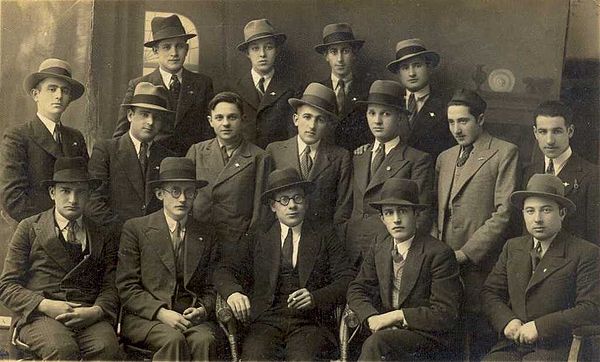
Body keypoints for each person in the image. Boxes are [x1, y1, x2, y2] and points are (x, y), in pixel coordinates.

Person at [214, 168, 354, 360]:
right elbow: (224, 269)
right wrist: (233, 292)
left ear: (306, 202)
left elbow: (347, 277)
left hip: (309, 323)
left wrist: (315, 297)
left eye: (298, 198)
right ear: (273, 206)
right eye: (284, 200)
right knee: (255, 357)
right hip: (265, 321)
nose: (292, 206)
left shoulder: (324, 234)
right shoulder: (258, 234)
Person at [0, 157, 120, 360]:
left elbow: (110, 284)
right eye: (66, 191)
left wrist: (97, 311)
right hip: (40, 316)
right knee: (62, 349)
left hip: (87, 315)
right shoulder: (29, 228)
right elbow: (7, 286)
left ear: (89, 194)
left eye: (80, 191)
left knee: (107, 347)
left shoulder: (101, 233)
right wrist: (46, 305)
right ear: (52, 193)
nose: (73, 199)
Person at [434, 88, 519, 359]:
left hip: (480, 264)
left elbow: (504, 212)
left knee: (478, 334)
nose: (457, 129)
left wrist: (467, 253)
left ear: (480, 119)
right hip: (444, 264)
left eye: (464, 121)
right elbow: (439, 211)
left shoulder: (503, 152)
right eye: (451, 122)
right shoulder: (444, 158)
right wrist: (439, 252)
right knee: (446, 334)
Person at [481, 173, 600, 361]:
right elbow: (490, 293)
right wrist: (507, 321)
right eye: (530, 211)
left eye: (546, 210)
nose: (537, 219)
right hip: (513, 345)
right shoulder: (513, 247)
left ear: (562, 213)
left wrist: (540, 327)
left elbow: (591, 308)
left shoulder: (585, 252)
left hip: (559, 348)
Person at [347, 178, 462, 361]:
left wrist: (395, 317)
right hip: (386, 333)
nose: (397, 219)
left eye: (403, 211)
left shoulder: (439, 253)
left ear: (416, 214)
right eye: (389, 213)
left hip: (427, 338)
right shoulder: (380, 244)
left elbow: (445, 313)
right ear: (382, 218)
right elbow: (357, 288)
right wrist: (372, 318)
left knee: (376, 344)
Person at [117, 157, 220, 360]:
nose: (182, 198)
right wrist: (161, 313)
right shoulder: (136, 229)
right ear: (160, 194)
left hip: (188, 318)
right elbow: (127, 287)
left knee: (205, 340)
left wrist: (202, 309)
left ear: (195, 195)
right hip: (146, 317)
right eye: (175, 191)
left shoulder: (206, 233)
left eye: (189, 192)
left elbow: (211, 286)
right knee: (173, 339)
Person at [346, 80, 433, 267]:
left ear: (401, 117)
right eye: (372, 113)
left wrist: (401, 252)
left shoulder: (416, 159)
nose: (377, 121)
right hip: (352, 251)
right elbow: (345, 207)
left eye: (385, 114)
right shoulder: (358, 156)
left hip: (391, 252)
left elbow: (421, 215)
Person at [0, 58, 89, 223]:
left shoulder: (75, 138)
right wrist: (53, 226)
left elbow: (86, 187)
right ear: (36, 94)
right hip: (34, 233)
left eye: (65, 91)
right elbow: (13, 198)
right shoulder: (18, 136)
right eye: (52, 89)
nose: (59, 96)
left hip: (74, 231)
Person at [112, 14, 214, 155]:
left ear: (187, 49)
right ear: (155, 51)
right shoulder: (139, 84)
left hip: (192, 163)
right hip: (152, 163)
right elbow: (121, 134)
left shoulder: (203, 84)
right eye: (166, 47)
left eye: (179, 46)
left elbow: (210, 131)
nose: (174, 53)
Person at [264, 83, 352, 240]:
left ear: (328, 124)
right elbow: (266, 204)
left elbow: (343, 208)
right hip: (283, 237)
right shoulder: (274, 151)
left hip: (323, 239)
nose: (312, 126)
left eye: (320, 120)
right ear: (296, 119)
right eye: (307, 117)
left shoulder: (340, 157)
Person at [186, 91, 265, 254]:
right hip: (198, 240)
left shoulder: (259, 157)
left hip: (236, 243)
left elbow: (259, 211)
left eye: (232, 117)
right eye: (219, 117)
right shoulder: (197, 151)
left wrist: (246, 243)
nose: (226, 123)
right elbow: (185, 197)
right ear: (211, 121)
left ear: (243, 120)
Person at [87, 82, 175, 227]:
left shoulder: (167, 157)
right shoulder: (106, 150)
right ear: (130, 115)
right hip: (115, 239)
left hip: (155, 241)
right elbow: (93, 202)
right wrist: (128, 235)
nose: (150, 122)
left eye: (157, 117)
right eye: (144, 114)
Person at [523, 100, 599, 245]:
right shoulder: (528, 172)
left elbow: (595, 235)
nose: (550, 140)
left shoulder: (593, 175)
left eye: (557, 131)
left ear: (570, 131)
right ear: (535, 133)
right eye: (543, 132)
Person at [233, 19, 299, 148]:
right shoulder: (234, 89)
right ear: (247, 53)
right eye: (255, 48)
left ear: (277, 50)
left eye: (268, 47)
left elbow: (293, 134)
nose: (262, 54)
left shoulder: (292, 88)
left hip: (279, 160)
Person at [386, 38, 454, 160]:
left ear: (428, 67)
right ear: (399, 73)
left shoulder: (446, 104)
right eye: (405, 68)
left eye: (417, 65)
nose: (412, 73)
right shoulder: (390, 102)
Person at [315, 23, 372, 151]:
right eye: (333, 52)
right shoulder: (316, 90)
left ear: (354, 54)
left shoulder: (368, 90)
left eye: (345, 51)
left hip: (358, 160)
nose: (340, 59)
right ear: (326, 56)